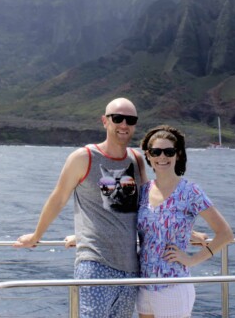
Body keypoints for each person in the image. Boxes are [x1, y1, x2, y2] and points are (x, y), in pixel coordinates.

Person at [14, 97, 148, 318]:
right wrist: (37, 235)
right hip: (96, 264)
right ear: (105, 121)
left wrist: (185, 232)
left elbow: (147, 205)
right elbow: (58, 198)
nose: (124, 124)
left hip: (131, 267)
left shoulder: (136, 159)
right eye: (118, 118)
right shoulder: (83, 157)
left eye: (130, 120)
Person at [136, 125, 234, 318]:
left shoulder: (190, 191)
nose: (162, 157)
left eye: (169, 151)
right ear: (148, 155)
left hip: (173, 285)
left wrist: (192, 259)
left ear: (178, 154)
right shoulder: (143, 191)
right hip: (143, 284)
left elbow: (225, 234)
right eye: (156, 152)